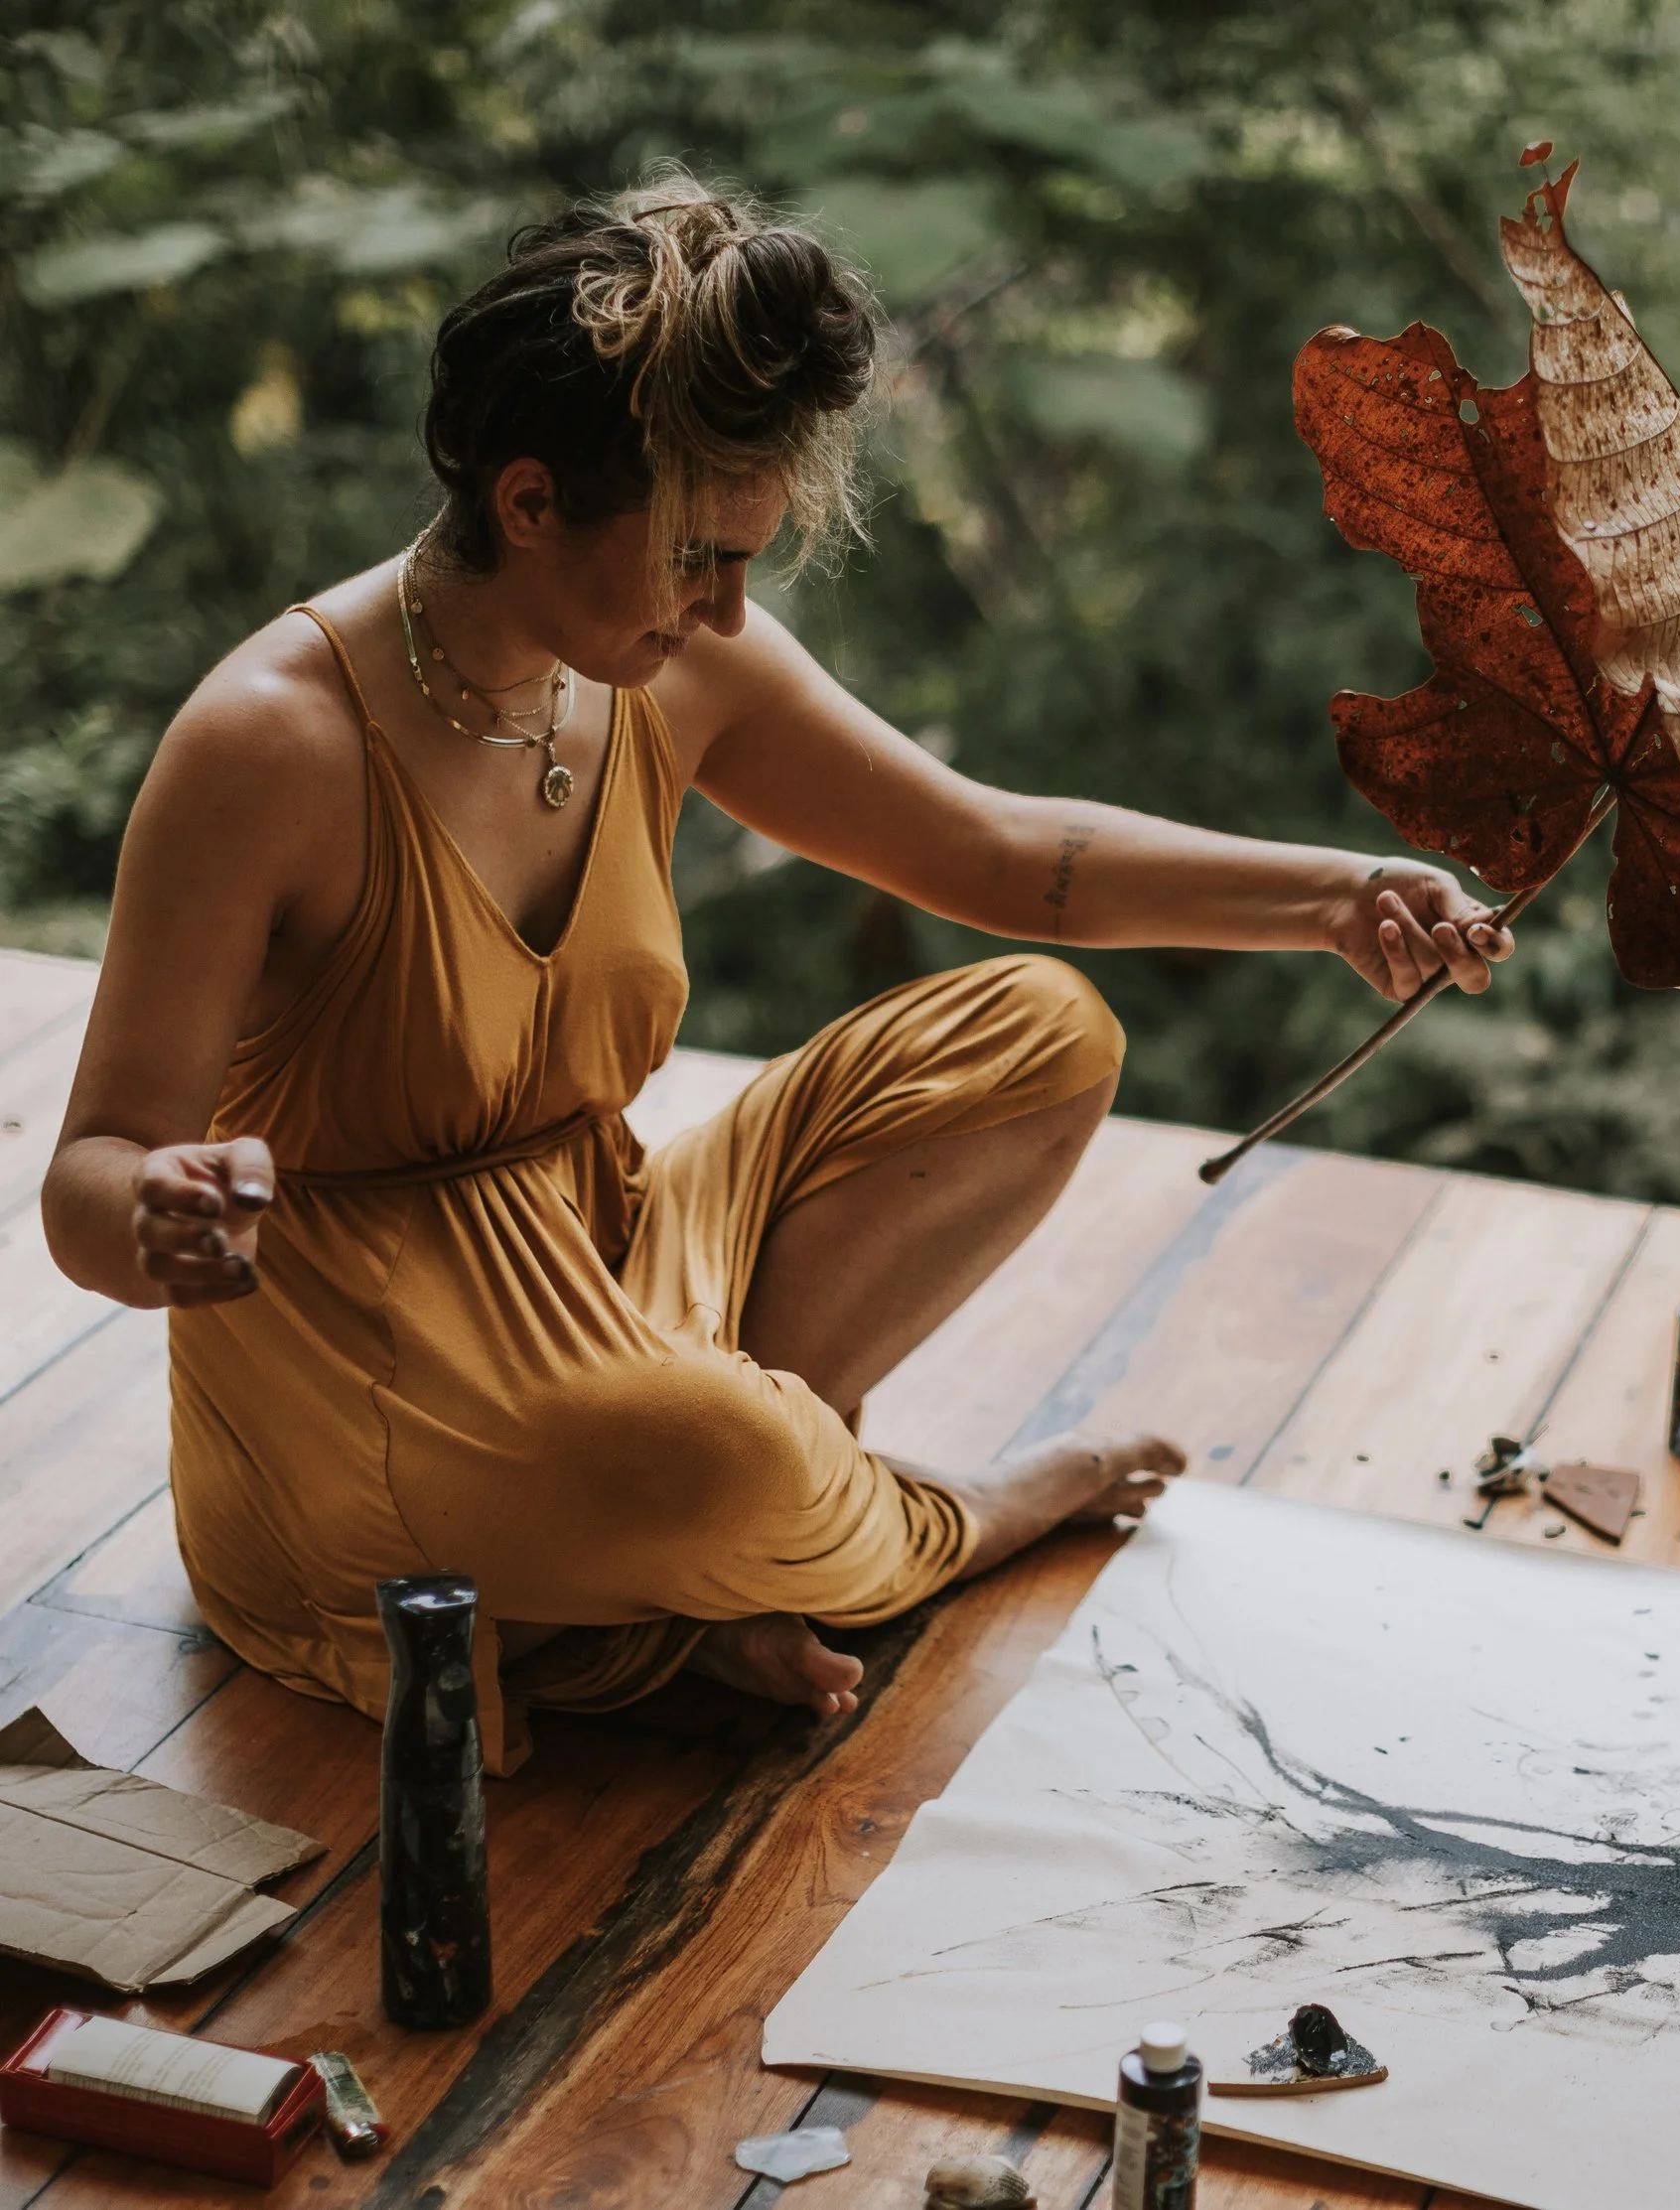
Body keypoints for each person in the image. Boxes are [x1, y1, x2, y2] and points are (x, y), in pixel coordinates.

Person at [40, 174, 1512, 1773]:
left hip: (599, 1262)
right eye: (693, 557)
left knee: (1040, 1033)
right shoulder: (269, 743)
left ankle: (675, 1571)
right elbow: (88, 1178)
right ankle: (939, 1519)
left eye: (744, 557)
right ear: (529, 500)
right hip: (367, 1385)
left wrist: (1338, 895)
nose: (729, 607)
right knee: (719, 1457)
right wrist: (158, 1216)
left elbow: (1004, 856)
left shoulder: (675, 666)